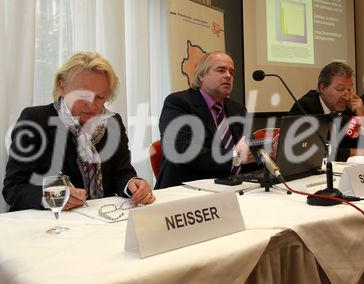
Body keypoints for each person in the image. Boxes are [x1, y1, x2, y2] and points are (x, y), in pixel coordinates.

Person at [3, 51, 155, 211]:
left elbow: (121, 172)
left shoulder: (112, 122)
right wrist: (53, 197)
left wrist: (132, 184)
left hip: (100, 222)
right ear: (62, 86)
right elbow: (13, 188)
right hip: (49, 225)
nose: (92, 105)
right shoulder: (35, 119)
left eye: (100, 97)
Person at [156, 51, 254, 188]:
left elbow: (248, 148)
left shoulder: (237, 109)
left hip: (232, 186)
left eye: (231, 72)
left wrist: (267, 152)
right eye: (221, 70)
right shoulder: (179, 103)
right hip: (187, 189)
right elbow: (181, 150)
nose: (228, 76)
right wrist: (234, 156)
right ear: (202, 76)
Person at [289, 62, 364, 161]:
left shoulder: (347, 111)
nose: (347, 96)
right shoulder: (305, 107)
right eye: (340, 89)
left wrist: (361, 116)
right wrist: (349, 152)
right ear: (322, 88)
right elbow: (307, 149)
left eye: (349, 90)